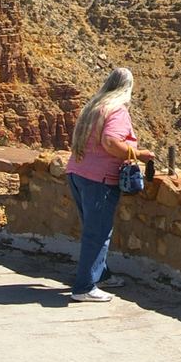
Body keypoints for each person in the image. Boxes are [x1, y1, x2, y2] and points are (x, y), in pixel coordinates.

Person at [64, 66, 154, 302]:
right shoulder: (117, 110)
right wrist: (139, 154)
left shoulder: (93, 106)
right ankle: (84, 287)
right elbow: (111, 142)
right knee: (98, 233)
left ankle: (100, 275)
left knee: (93, 229)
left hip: (77, 172)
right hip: (99, 179)